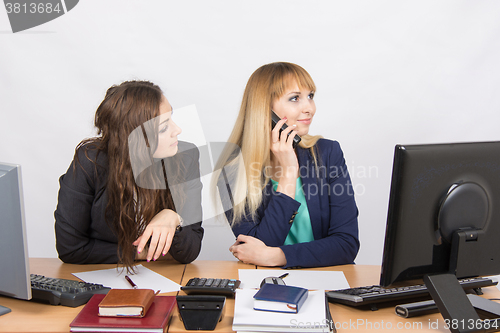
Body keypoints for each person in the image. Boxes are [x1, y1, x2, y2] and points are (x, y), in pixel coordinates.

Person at [216, 62, 359, 269]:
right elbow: (258, 246)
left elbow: (346, 244)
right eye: (295, 98)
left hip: (326, 279)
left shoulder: (328, 153)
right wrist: (289, 174)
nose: (310, 108)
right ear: (264, 110)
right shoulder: (232, 173)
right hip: (263, 283)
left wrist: (278, 256)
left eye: (310, 96)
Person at [55, 80, 204, 270]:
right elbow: (71, 248)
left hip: (163, 280)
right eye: (164, 127)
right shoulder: (90, 162)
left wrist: (174, 218)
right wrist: (139, 253)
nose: (178, 130)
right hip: (105, 279)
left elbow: (190, 251)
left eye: (171, 118)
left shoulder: (186, 157)